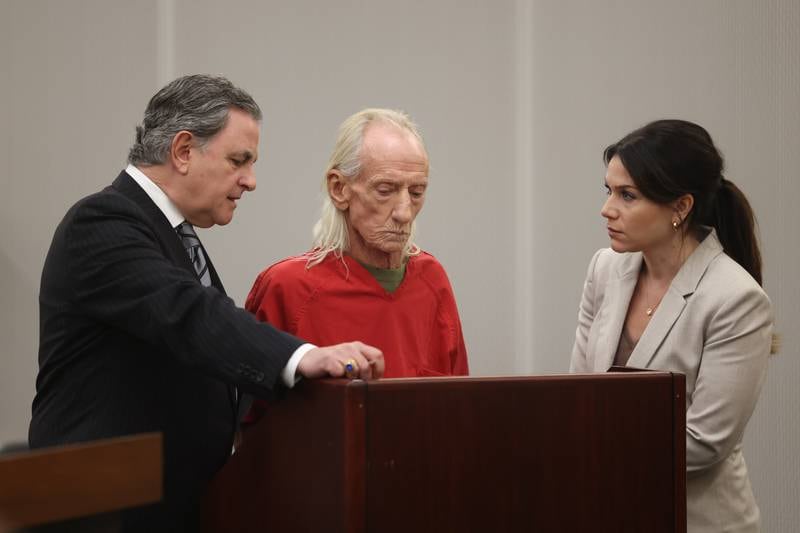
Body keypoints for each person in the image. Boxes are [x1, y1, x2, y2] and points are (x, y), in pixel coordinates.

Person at [29, 75, 384, 531]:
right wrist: (304, 356)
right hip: (96, 511)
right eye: (239, 161)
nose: (251, 181)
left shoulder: (173, 232)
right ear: (182, 151)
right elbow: (190, 315)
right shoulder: (101, 221)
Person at [570, 119, 775, 532]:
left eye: (627, 195)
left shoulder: (736, 298)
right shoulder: (604, 268)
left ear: (681, 207)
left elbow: (704, 443)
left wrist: (589, 448)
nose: (607, 208)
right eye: (608, 191)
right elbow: (578, 395)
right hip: (610, 511)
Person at [244, 108, 468, 384]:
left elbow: (459, 404)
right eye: (385, 191)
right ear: (339, 189)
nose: (404, 213)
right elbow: (252, 417)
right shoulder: (288, 287)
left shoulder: (432, 280)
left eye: (416, 192)